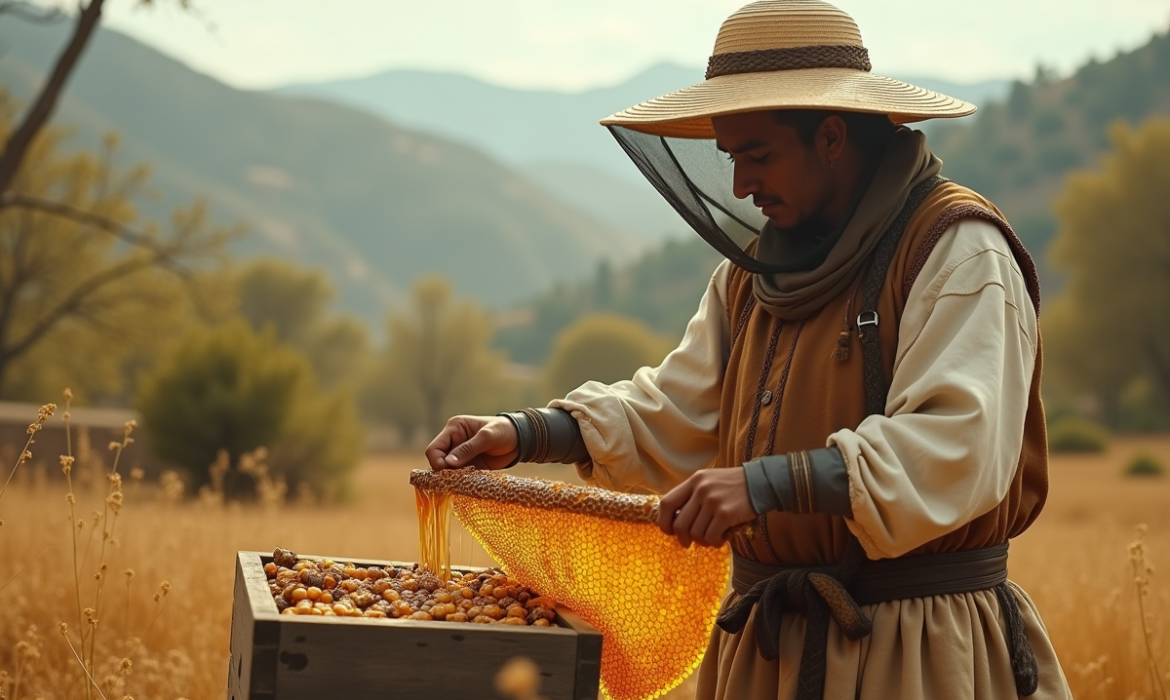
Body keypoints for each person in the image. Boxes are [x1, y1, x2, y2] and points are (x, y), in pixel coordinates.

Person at [425, 1, 1072, 698]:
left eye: (758, 155)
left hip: (912, 651)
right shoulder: (750, 277)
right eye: (732, 158)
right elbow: (676, 408)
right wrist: (524, 434)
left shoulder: (956, 250)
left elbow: (956, 446)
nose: (739, 185)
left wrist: (761, 484)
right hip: (764, 654)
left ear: (831, 136)